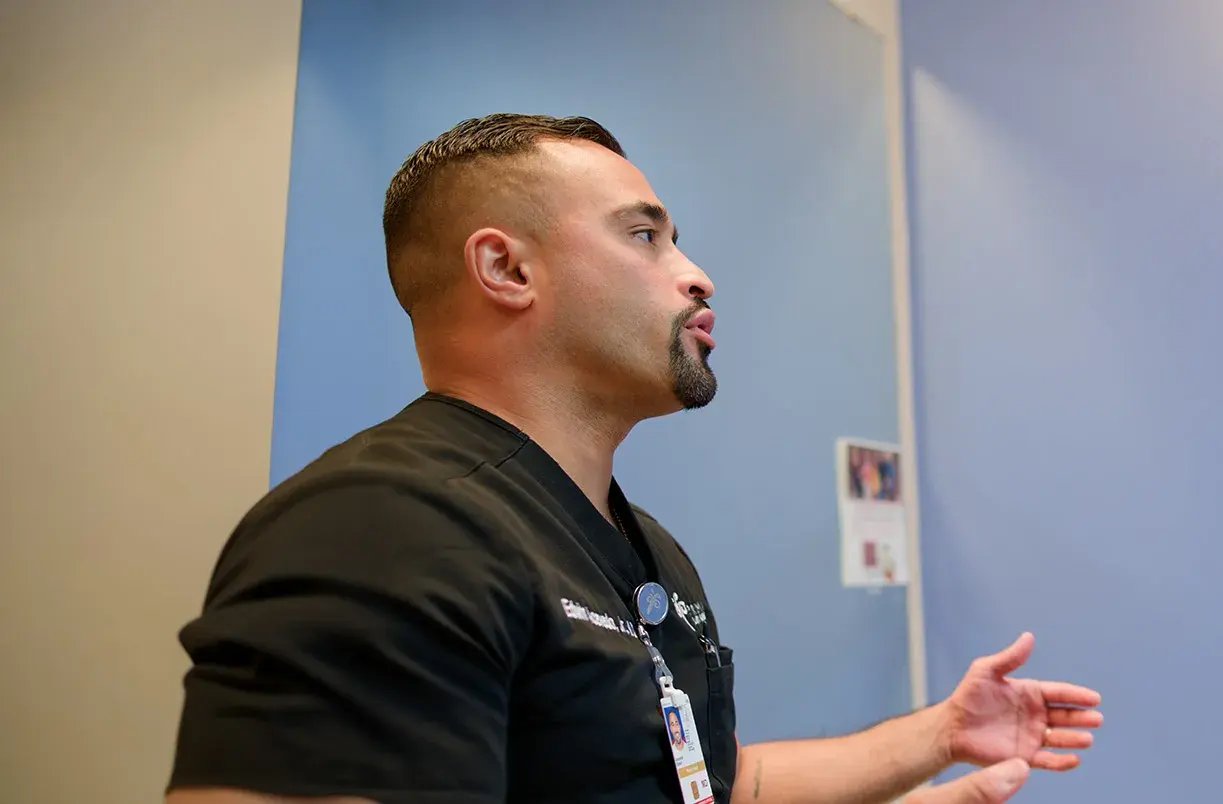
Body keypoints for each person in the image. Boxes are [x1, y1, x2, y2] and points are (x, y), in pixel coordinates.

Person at [166, 114, 1102, 804]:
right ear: (507, 270)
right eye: (644, 235)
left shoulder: (637, 548)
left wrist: (937, 737)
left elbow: (703, 783)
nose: (696, 274)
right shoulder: (382, 527)